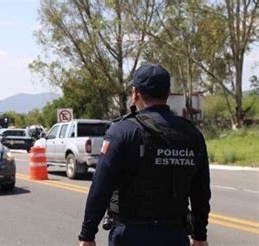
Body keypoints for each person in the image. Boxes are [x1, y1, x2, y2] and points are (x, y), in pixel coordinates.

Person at [78, 64, 211, 246]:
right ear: (168, 92)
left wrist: (87, 234)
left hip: (131, 234)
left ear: (135, 93)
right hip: (175, 235)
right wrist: (200, 235)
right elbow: (201, 191)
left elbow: (101, 187)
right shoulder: (192, 134)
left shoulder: (122, 132)